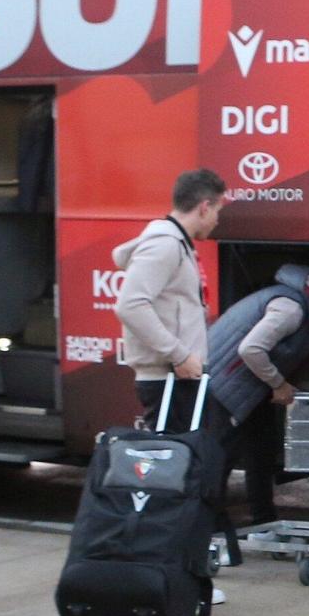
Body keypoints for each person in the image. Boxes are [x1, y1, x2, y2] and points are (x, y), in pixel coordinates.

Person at [206, 262, 309, 529]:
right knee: (223, 455)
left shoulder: (308, 306)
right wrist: (278, 384)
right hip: (227, 384)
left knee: (261, 453)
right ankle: (211, 524)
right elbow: (251, 349)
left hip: (250, 385)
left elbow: (304, 346)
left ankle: (263, 520)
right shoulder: (292, 307)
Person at [111, 168, 225, 433]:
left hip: (176, 377)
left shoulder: (176, 243)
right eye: (217, 210)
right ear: (204, 207)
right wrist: (180, 355)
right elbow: (130, 305)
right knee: (173, 455)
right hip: (169, 379)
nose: (217, 220)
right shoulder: (166, 245)